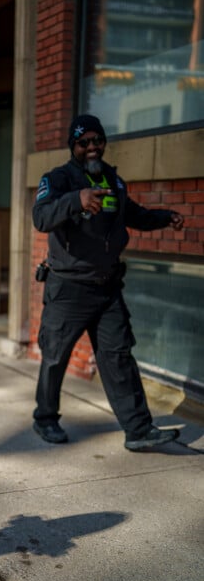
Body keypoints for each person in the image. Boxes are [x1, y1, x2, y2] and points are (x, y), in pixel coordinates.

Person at [32, 114, 185, 451]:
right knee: (56, 356)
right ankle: (45, 419)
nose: (91, 147)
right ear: (73, 146)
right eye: (84, 142)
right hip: (68, 288)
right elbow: (40, 217)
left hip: (107, 288)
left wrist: (164, 218)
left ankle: (139, 430)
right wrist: (76, 199)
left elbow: (134, 214)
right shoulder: (58, 179)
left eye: (96, 140)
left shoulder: (114, 181)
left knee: (118, 356)